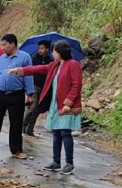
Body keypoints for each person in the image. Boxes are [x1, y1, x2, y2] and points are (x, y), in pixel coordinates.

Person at [8, 40, 83, 174]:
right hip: (55, 103)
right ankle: (56, 161)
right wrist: (19, 70)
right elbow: (38, 69)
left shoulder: (73, 65)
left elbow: (76, 86)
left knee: (65, 133)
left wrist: (68, 103)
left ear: (60, 52)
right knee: (56, 133)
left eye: (54, 51)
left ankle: (69, 163)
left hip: (65, 105)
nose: (53, 53)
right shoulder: (55, 65)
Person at [22, 40, 52, 137]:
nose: (40, 50)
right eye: (39, 48)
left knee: (38, 109)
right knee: (32, 107)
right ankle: (23, 126)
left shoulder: (50, 61)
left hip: (44, 87)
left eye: (42, 48)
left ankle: (30, 129)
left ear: (47, 49)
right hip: (34, 85)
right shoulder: (34, 58)